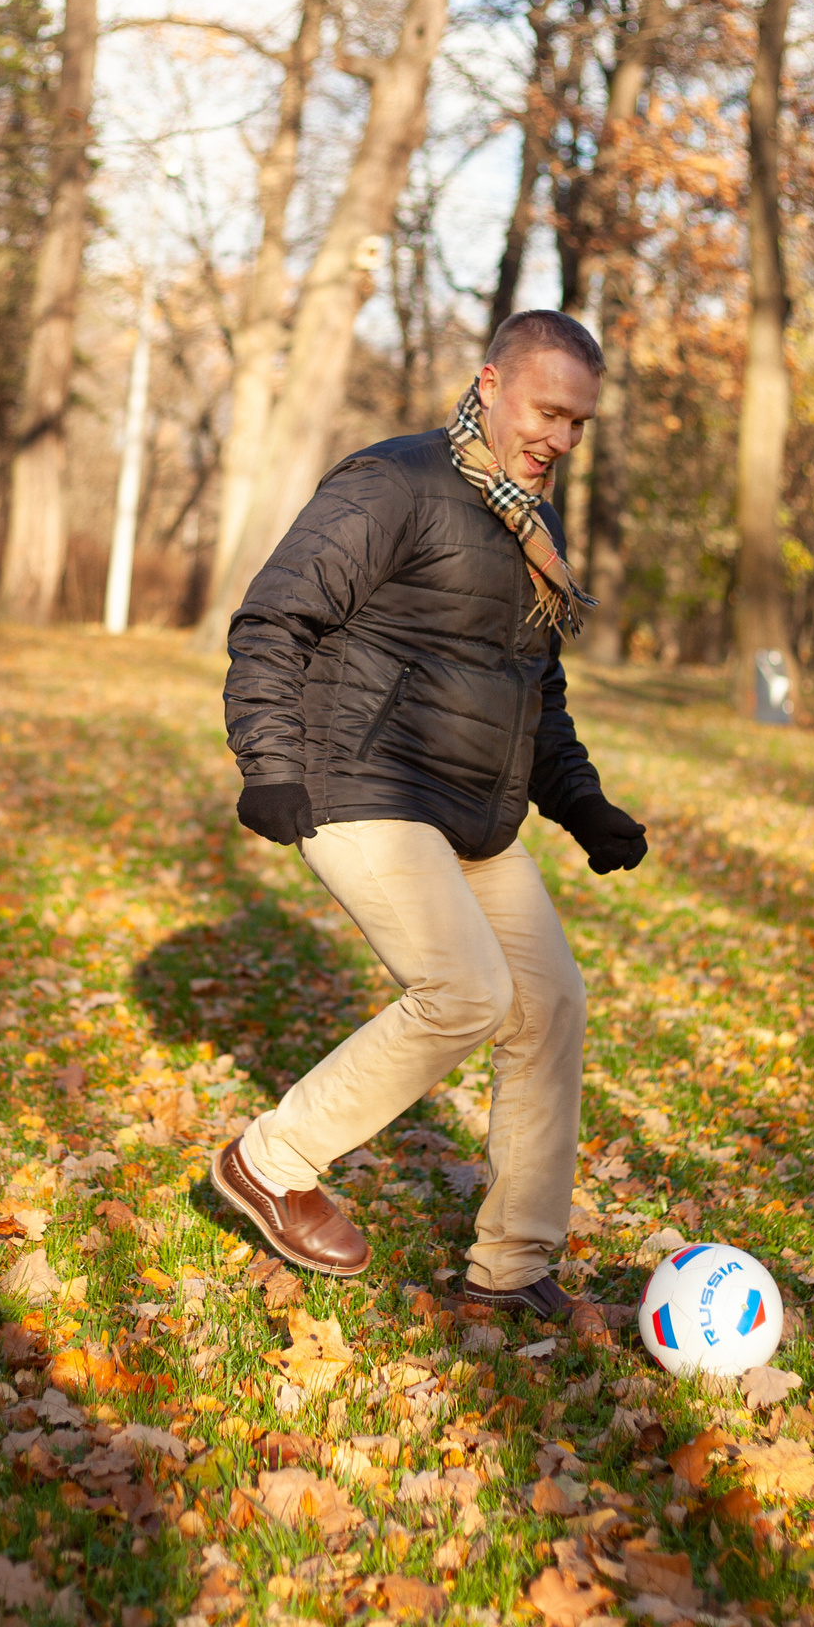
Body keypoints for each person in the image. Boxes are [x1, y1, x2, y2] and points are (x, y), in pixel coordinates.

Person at [212, 309, 648, 1321]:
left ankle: (512, 1266)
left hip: (470, 810)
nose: (560, 441)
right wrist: (268, 763)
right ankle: (269, 1163)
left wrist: (581, 806)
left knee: (548, 1006)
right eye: (548, 413)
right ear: (490, 384)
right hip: (359, 781)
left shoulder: (530, 527)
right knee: (465, 991)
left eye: (579, 425)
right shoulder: (392, 483)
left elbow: (534, 694)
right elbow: (275, 619)